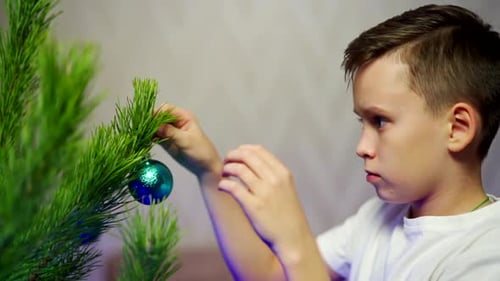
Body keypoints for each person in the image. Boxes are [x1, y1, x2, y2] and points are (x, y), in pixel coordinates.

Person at [155, 4, 500, 280]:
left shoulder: (485, 257)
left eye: (380, 121)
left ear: (457, 128)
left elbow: (296, 263)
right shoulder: (378, 218)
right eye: (361, 121)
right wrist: (210, 173)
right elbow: (268, 274)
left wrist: (296, 242)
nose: (361, 146)